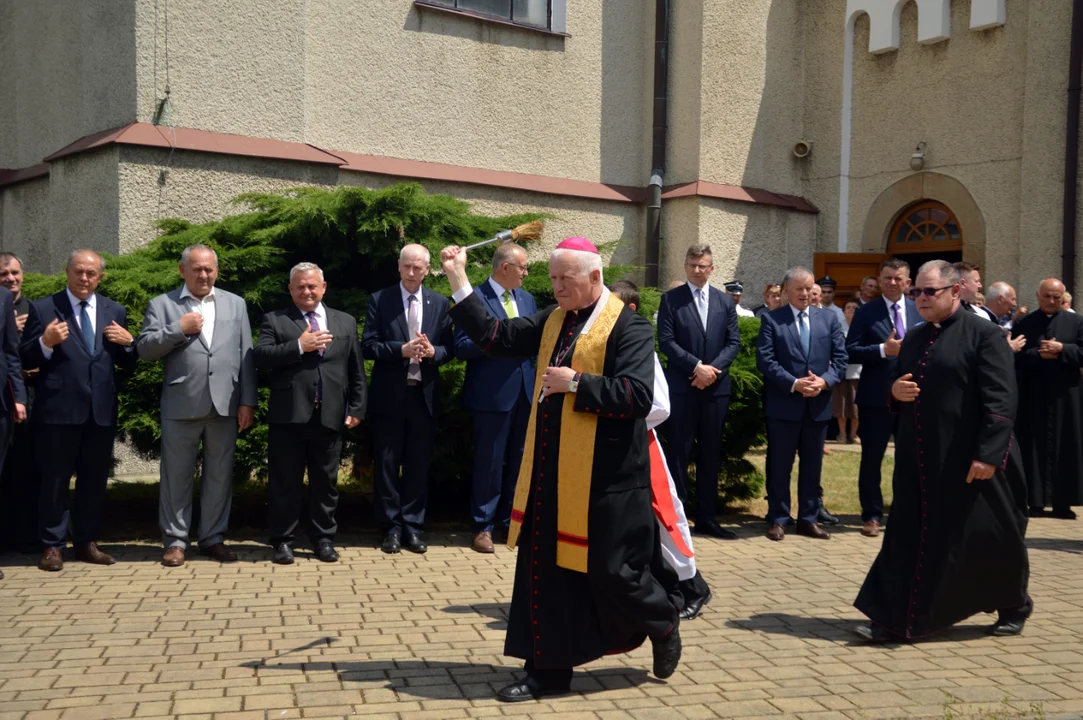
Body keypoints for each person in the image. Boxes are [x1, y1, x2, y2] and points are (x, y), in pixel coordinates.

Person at [441, 237, 682, 702]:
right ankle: (547, 673)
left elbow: (636, 396)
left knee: (616, 575)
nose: (555, 288)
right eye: (551, 278)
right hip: (551, 476)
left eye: (564, 279)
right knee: (546, 576)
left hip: (609, 482)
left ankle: (664, 621)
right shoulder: (555, 320)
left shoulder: (629, 328)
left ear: (594, 277)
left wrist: (576, 383)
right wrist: (458, 278)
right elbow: (495, 337)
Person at [853, 260, 1031, 642]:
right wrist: (893, 392)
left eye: (929, 291)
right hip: (919, 458)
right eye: (916, 291)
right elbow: (895, 380)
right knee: (907, 534)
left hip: (970, 459)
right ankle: (891, 618)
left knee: (987, 535)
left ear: (955, 291)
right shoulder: (915, 337)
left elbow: (1002, 399)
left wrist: (988, 454)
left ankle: (1013, 604)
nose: (920, 298)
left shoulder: (984, 334)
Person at [137, 244, 257, 568]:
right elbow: (145, 349)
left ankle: (213, 538)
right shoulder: (162, 305)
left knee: (219, 475)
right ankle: (175, 541)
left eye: (209, 269)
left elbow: (247, 354)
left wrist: (247, 401)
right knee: (176, 477)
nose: (203, 275)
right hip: (181, 403)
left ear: (216, 271)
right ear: (182, 271)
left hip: (225, 404)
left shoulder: (236, 303)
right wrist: (178, 329)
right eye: (197, 269)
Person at [611, 279, 713, 621]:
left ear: (630, 309)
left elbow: (660, 405)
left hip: (642, 441)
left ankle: (693, 585)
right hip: (611, 447)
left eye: (611, 306)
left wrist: (620, 418)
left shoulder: (640, 346)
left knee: (665, 514)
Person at [253, 263, 368, 564]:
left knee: (326, 484)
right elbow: (260, 357)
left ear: (323, 287)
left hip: (329, 415)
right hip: (288, 417)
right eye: (300, 287)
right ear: (290, 290)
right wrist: (298, 346)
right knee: (284, 483)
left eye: (312, 286)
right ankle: (282, 541)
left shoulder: (344, 321)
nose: (307, 291)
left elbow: (355, 369)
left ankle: (323, 539)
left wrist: (356, 407)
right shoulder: (275, 320)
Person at [21, 250, 125, 572]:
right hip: (58, 411)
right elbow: (23, 358)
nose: (84, 278)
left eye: (91, 274)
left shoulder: (114, 310)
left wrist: (130, 343)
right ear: (66, 272)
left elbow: (125, 362)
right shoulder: (43, 307)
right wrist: (44, 342)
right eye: (78, 272)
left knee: (94, 480)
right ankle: (52, 546)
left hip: (100, 412)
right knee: (55, 481)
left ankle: (86, 542)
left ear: (100, 277)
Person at [362, 243, 453, 555]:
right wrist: (400, 350)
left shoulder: (441, 303)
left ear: (428, 269)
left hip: (423, 397)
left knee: (417, 465)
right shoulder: (381, 299)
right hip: (390, 396)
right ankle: (390, 528)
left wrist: (434, 353)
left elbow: (451, 348)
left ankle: (413, 526)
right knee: (387, 465)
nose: (412, 273)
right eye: (407, 267)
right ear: (398, 267)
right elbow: (368, 345)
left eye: (418, 268)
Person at [454, 243, 537, 553]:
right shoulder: (473, 298)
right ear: (505, 268)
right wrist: (499, 335)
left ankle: (510, 523)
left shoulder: (527, 299)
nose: (526, 273)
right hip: (492, 397)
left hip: (526, 394)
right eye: (522, 268)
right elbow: (462, 347)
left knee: (519, 462)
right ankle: (482, 527)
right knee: (489, 464)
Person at [756, 267, 847, 541]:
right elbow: (766, 361)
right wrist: (795, 383)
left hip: (817, 406)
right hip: (785, 405)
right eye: (799, 289)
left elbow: (841, 360)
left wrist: (823, 382)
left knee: (812, 466)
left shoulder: (828, 320)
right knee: (780, 465)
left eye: (809, 288)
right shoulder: (772, 320)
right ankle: (779, 518)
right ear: (786, 291)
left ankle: (808, 519)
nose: (806, 294)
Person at [656, 244, 741, 539]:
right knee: (679, 453)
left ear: (712, 269)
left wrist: (711, 370)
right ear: (685, 265)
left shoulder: (724, 302)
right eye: (692, 264)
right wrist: (696, 367)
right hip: (682, 388)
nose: (697, 270)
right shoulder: (671, 300)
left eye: (703, 265)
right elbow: (666, 341)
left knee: (710, 453)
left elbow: (734, 344)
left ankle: (707, 519)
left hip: (715, 390)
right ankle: (677, 522)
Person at [845, 258, 922, 538]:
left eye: (898, 278)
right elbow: (850, 350)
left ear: (908, 282)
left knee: (910, 459)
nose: (892, 283)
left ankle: (905, 513)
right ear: (879, 279)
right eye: (887, 277)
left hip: (912, 398)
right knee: (872, 459)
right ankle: (872, 515)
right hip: (876, 399)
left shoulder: (919, 310)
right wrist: (882, 350)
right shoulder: (867, 312)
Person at [1011, 278, 1083, 519]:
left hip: (1066, 397)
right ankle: (1036, 501)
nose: (1052, 301)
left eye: (1056, 297)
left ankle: (1064, 503)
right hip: (1033, 396)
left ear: (1063, 298)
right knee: (1033, 445)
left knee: (1066, 445)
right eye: (1047, 296)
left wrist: (1063, 349)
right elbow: (1014, 357)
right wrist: (1040, 354)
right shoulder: (1024, 323)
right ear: (1037, 295)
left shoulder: (1076, 321)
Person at [0, 252, 37, 556]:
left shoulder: (34, 310)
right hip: (5, 398)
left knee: (25, 470)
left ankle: (26, 536)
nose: (11, 279)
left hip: (27, 401)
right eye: (3, 274)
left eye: (15, 273)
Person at [832, 298, 862, 445]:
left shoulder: (863, 327)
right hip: (841, 371)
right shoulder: (837, 327)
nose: (851, 309)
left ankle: (854, 434)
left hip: (858, 371)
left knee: (856, 406)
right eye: (848, 307)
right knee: (841, 405)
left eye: (855, 308)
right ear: (843, 311)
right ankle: (842, 434)